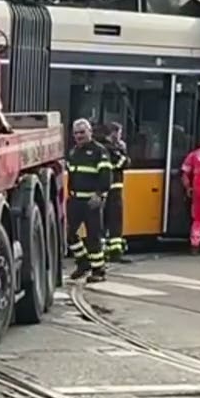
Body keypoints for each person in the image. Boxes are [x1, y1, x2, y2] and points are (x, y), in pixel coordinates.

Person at [65, 118, 112, 282]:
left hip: (92, 202)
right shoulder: (73, 153)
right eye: (76, 133)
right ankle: (83, 263)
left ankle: (99, 271)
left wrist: (99, 194)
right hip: (75, 200)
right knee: (69, 234)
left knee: (93, 237)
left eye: (82, 132)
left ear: (90, 132)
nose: (79, 136)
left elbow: (106, 175)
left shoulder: (100, 151)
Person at [100, 121, 132, 264]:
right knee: (114, 222)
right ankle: (113, 254)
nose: (120, 136)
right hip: (113, 190)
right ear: (112, 133)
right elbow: (121, 164)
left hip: (107, 190)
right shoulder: (108, 149)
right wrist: (123, 155)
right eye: (118, 133)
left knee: (107, 222)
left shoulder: (105, 148)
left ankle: (109, 252)